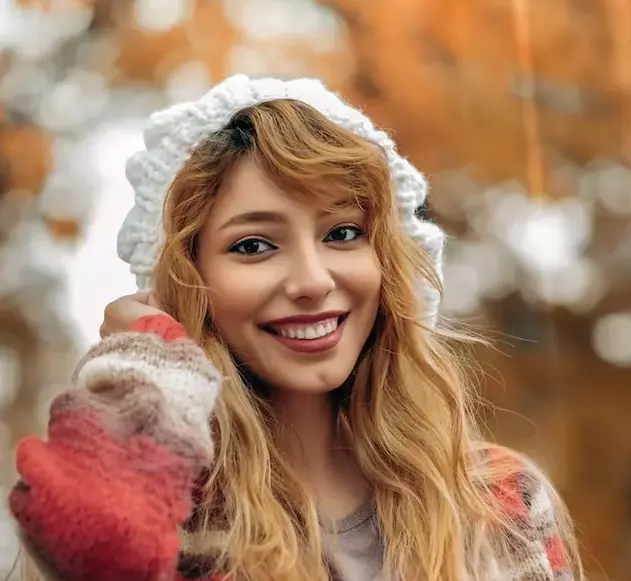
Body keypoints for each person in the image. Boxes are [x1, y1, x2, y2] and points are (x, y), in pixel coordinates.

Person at [8, 75, 583, 581]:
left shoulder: (500, 505)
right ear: (184, 279)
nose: (312, 280)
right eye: (254, 245)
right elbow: (96, 544)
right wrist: (143, 375)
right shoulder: (166, 525)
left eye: (342, 233)